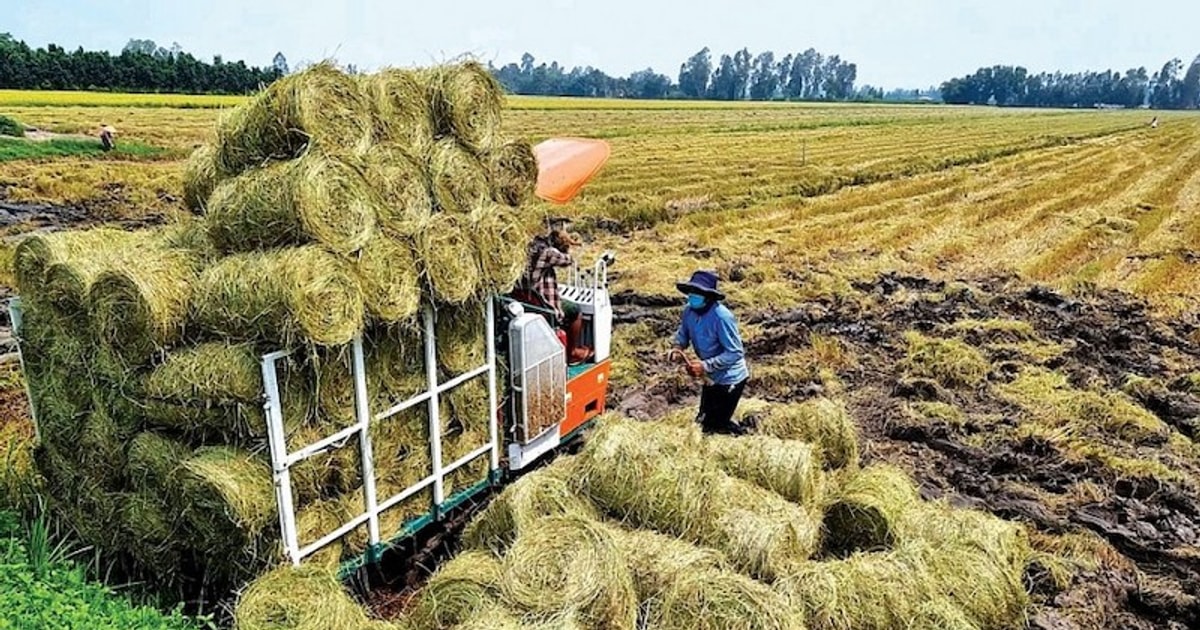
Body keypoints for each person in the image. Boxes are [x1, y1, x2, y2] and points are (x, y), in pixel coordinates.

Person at [671, 270, 749, 435]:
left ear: (708, 296)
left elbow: (735, 352)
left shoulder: (722, 318)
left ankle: (743, 438)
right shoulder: (689, 311)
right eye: (691, 292)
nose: (693, 296)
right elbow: (683, 334)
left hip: (730, 378)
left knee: (716, 425)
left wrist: (705, 366)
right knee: (704, 418)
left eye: (698, 293)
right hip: (711, 377)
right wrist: (678, 348)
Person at [521, 227, 591, 363]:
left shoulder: (528, 249)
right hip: (544, 304)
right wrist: (568, 244)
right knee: (575, 311)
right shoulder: (547, 252)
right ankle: (572, 352)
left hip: (526, 301)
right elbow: (568, 260)